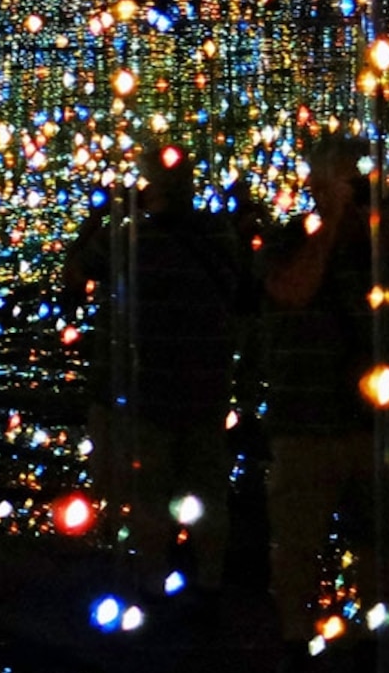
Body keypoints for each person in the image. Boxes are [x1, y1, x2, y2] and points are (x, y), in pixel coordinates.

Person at [257, 133, 389, 648]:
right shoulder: (288, 237)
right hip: (307, 422)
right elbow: (291, 290)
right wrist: (329, 229)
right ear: (315, 185)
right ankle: (296, 641)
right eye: (341, 180)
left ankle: (382, 645)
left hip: (386, 429)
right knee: (299, 543)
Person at [55, 147, 248, 602]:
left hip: (144, 392)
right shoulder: (218, 235)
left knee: (146, 496)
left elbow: (75, 272)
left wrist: (109, 212)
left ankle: (150, 587)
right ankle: (208, 584)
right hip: (206, 388)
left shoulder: (129, 240)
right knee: (207, 491)